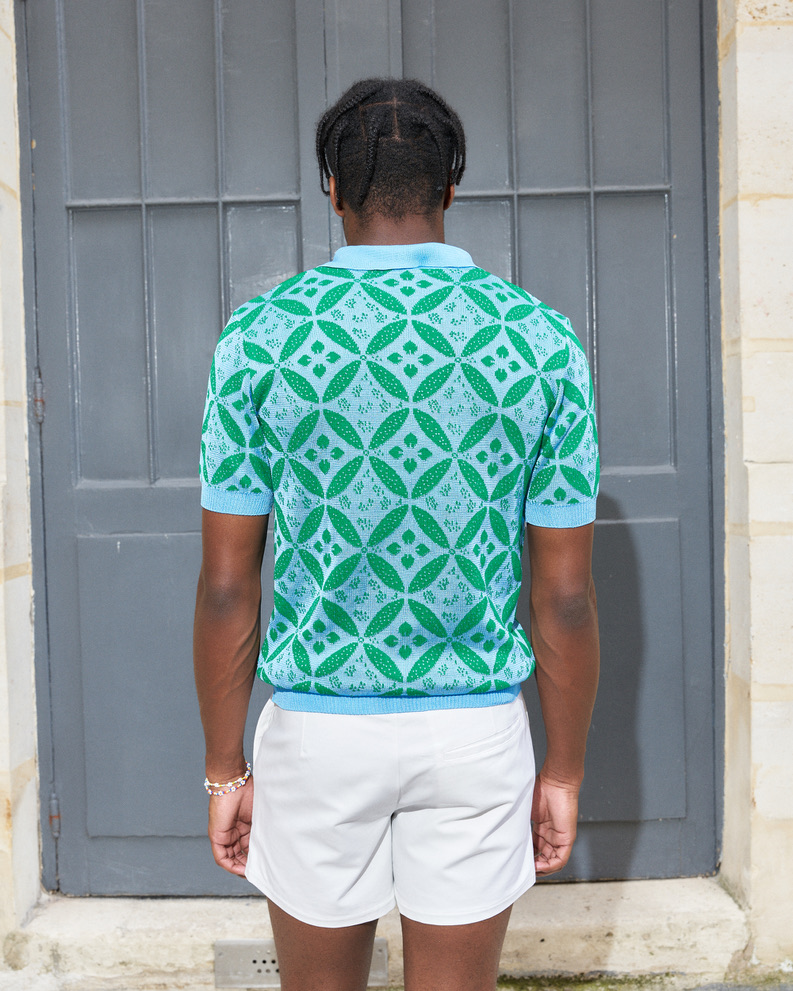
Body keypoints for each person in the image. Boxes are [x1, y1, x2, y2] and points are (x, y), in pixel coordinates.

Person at [194, 77, 600, 991]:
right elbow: (565, 597)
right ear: (450, 186)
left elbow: (226, 586)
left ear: (332, 188)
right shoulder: (542, 342)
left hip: (317, 734)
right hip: (475, 733)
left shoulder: (258, 340)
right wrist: (563, 772)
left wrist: (225, 771)